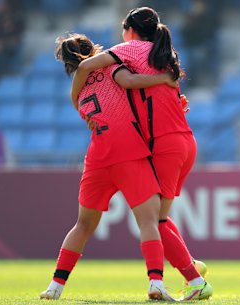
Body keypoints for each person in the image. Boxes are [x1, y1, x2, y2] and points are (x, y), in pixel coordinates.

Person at [69, 7, 212, 301]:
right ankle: (191, 268)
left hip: (164, 144)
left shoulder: (130, 49)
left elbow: (94, 72)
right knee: (160, 218)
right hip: (184, 142)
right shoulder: (163, 57)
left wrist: (80, 105)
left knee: (155, 221)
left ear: (129, 30)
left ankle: (193, 277)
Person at [40, 33, 180, 301]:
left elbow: (84, 107)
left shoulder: (77, 91)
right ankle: (156, 282)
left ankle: (55, 287)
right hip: (128, 152)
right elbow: (129, 81)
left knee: (82, 224)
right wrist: (163, 79)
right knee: (149, 220)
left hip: (97, 158)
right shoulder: (110, 66)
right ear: (93, 49)